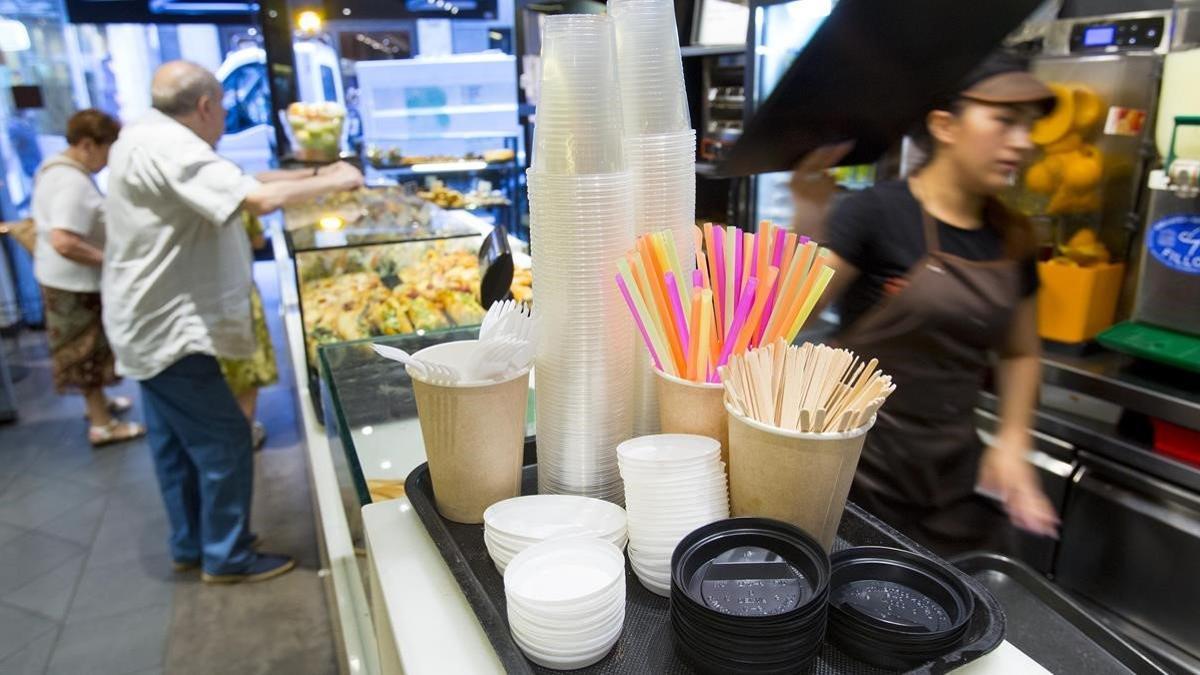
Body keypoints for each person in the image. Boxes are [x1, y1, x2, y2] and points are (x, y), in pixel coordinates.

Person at [103, 60, 363, 583]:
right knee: (224, 438)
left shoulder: (148, 135)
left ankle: (190, 543)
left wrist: (314, 175)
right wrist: (336, 177)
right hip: (169, 329)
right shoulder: (169, 145)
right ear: (204, 106)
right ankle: (226, 555)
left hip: (144, 320)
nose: (223, 116)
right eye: (221, 106)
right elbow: (259, 197)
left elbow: (243, 181)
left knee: (174, 445)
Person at [791, 52, 1060, 557]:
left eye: (1028, 128)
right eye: (1004, 122)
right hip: (857, 470)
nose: (1023, 143)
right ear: (945, 125)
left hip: (949, 471)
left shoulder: (1012, 238)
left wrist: (1012, 442)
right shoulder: (875, 213)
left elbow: (1021, 353)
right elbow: (792, 312)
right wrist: (809, 215)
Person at [31, 109, 146, 446]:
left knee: (88, 349)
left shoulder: (57, 168)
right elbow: (64, 240)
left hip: (63, 279)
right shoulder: (70, 181)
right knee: (87, 353)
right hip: (74, 284)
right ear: (87, 144)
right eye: (107, 149)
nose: (108, 160)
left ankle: (97, 406)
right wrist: (111, 261)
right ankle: (102, 423)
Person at [218, 211, 278, 450]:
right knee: (245, 367)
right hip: (236, 292)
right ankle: (244, 431)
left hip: (195, 302)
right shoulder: (239, 203)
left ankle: (228, 431)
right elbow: (258, 241)